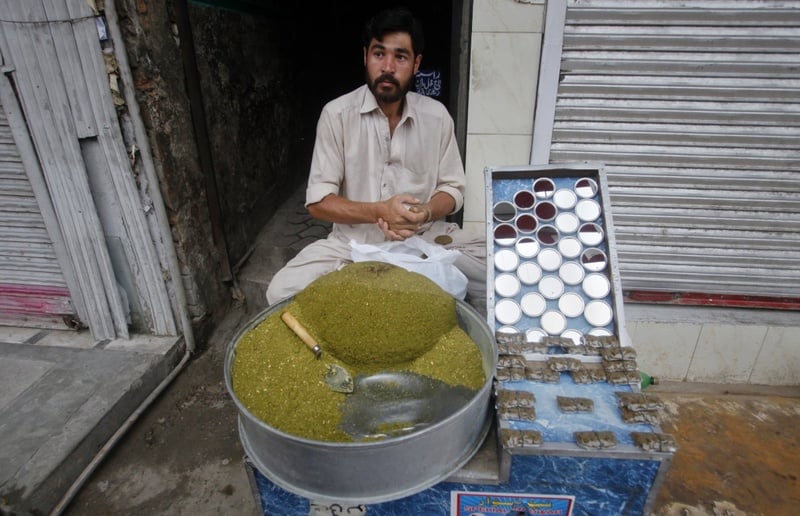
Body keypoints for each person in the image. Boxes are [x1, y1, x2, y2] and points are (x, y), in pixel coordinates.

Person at [266, 7, 485, 306]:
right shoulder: (337, 114)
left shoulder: (437, 117)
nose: (388, 66)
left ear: (416, 63)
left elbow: (453, 190)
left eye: (401, 56)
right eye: (379, 54)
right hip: (353, 245)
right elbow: (319, 202)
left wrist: (425, 212)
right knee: (279, 292)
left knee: (498, 272)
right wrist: (380, 210)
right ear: (365, 57)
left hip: (423, 238)